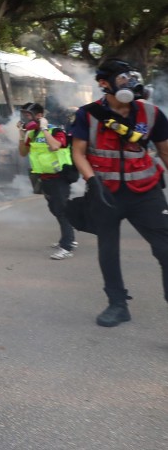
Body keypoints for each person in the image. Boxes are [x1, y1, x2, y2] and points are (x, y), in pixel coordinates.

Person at [69, 59, 168, 327]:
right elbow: (77, 152)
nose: (130, 83)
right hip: (107, 194)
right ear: (104, 83)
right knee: (108, 250)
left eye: (132, 76)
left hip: (147, 192)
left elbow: (165, 151)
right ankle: (117, 304)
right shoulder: (87, 114)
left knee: (166, 249)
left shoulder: (152, 113)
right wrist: (92, 181)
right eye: (123, 78)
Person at [18, 102, 77, 260]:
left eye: (27, 115)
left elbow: (56, 146)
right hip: (44, 177)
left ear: (39, 116)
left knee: (61, 210)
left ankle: (67, 246)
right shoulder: (31, 134)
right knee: (55, 209)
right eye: (23, 114)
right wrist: (21, 134)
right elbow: (23, 153)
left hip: (59, 177)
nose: (24, 117)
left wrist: (44, 129)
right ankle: (69, 238)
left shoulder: (55, 130)